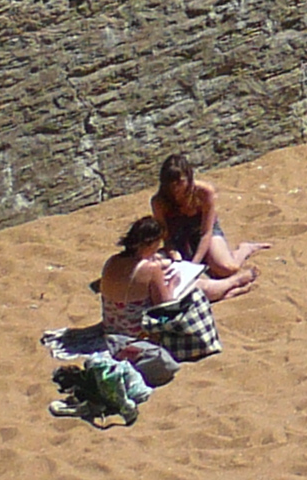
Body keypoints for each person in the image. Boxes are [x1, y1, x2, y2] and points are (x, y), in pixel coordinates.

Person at [98, 214, 229, 362]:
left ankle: (232, 286)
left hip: (112, 327)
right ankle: (233, 283)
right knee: (195, 292)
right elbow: (165, 305)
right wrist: (172, 283)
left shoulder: (112, 261)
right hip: (138, 331)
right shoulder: (150, 269)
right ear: (150, 244)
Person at [151, 153, 268, 286]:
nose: (175, 188)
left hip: (204, 230)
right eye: (171, 184)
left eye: (180, 182)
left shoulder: (204, 192)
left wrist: (193, 265)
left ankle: (245, 249)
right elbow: (166, 238)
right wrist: (174, 254)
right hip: (179, 235)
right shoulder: (159, 202)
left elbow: (206, 233)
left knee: (227, 268)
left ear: (188, 178)